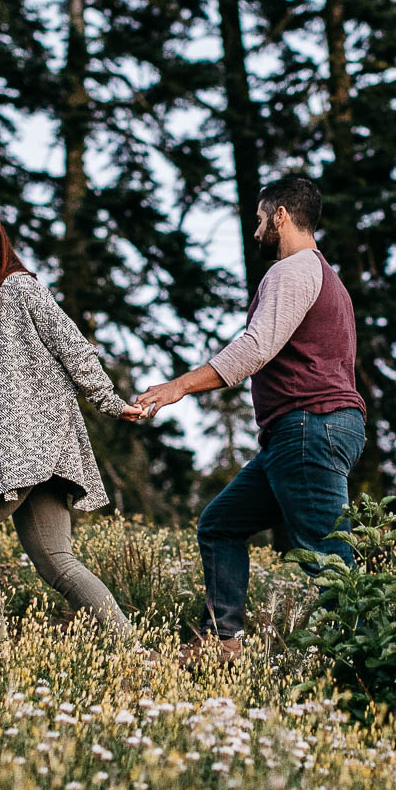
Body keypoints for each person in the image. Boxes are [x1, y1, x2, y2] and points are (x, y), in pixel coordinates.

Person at [134, 176, 366, 659]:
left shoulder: (292, 270)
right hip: (306, 431)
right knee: (220, 523)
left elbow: (256, 348)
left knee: (329, 558)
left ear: (280, 215)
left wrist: (177, 386)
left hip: (309, 426)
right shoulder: (328, 278)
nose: (256, 230)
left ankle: (367, 659)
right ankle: (222, 643)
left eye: (260, 220)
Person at [0, 207, 143, 639]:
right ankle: (136, 653)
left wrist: (111, 402)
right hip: (37, 443)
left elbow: (73, 346)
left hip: (27, 441)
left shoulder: (18, 289)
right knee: (57, 561)